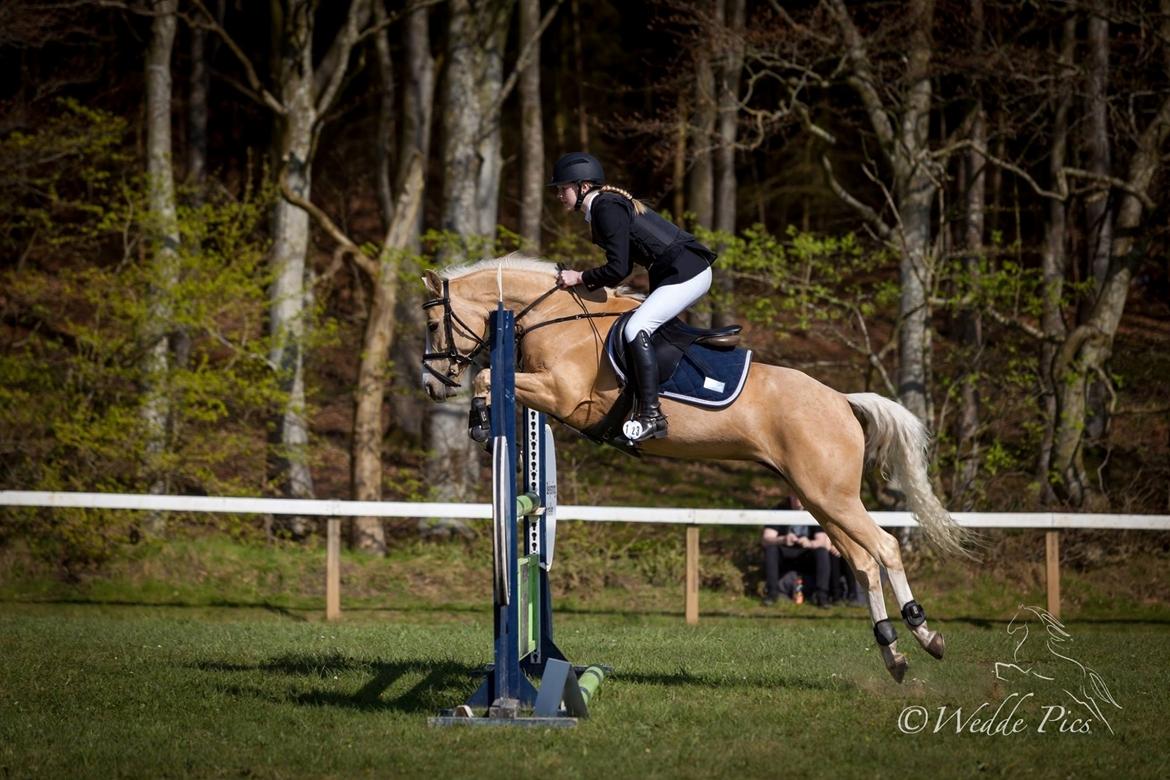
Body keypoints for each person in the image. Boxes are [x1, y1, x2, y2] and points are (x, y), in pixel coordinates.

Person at [550, 152, 717, 443]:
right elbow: (622, 267)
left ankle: (652, 415)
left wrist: (580, 277)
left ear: (583, 187)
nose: (558, 195)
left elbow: (616, 269)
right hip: (677, 271)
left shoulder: (605, 207)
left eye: (562, 188)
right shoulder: (604, 205)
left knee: (635, 328)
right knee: (638, 324)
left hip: (687, 270)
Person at [761, 495, 835, 608]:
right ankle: (772, 594)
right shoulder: (779, 510)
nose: (798, 499)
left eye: (801, 495)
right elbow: (766, 539)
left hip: (806, 553)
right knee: (771, 549)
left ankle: (822, 596)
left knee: (821, 551)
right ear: (790, 495)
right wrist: (783, 539)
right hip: (784, 551)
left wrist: (809, 543)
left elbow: (822, 541)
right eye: (795, 495)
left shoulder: (814, 511)